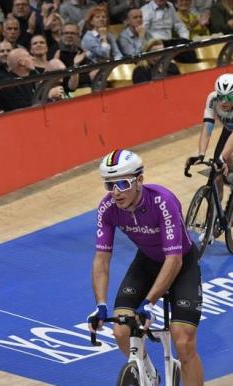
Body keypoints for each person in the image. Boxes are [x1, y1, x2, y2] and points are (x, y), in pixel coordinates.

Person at [89, 149, 203, 386]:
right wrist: (100, 305)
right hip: (147, 263)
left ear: (139, 180)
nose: (116, 192)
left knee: (183, 342)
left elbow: (174, 260)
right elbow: (101, 259)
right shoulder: (107, 209)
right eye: (110, 185)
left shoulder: (163, 201)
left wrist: (149, 303)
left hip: (181, 264)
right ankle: (149, 374)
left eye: (122, 183)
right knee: (121, 330)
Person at [192, 74, 233, 168]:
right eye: (221, 96)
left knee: (223, 158)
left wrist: (222, 158)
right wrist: (201, 154)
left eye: (229, 98)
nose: (223, 101)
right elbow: (207, 127)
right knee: (218, 164)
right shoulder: (212, 98)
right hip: (229, 128)